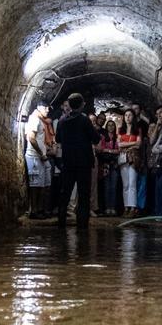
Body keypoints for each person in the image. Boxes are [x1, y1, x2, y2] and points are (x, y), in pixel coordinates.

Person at [55, 93, 100, 228]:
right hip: (83, 162)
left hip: (68, 161)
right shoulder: (84, 120)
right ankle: (82, 226)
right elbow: (96, 139)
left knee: (65, 193)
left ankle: (61, 223)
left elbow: (58, 139)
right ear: (81, 104)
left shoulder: (62, 120)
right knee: (84, 194)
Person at [23, 102, 52, 217]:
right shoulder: (34, 119)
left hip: (42, 157)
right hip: (34, 156)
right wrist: (41, 153)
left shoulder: (40, 120)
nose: (48, 110)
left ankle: (40, 209)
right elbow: (31, 137)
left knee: (44, 184)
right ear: (39, 108)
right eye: (46, 108)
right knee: (35, 185)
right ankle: (34, 210)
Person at [118, 108, 143, 217]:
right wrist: (133, 144)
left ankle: (133, 207)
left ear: (133, 117)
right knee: (126, 184)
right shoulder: (120, 130)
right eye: (126, 115)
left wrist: (126, 144)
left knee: (132, 183)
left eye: (130, 115)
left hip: (134, 158)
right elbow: (119, 145)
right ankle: (126, 207)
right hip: (123, 159)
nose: (128, 117)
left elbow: (139, 144)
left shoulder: (138, 130)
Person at [97, 115, 121, 215]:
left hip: (115, 164)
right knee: (107, 186)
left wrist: (109, 150)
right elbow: (101, 149)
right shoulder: (103, 137)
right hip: (106, 164)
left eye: (112, 125)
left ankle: (113, 207)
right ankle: (107, 207)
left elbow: (119, 150)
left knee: (114, 186)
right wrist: (112, 151)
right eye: (109, 125)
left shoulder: (117, 137)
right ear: (106, 127)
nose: (111, 127)